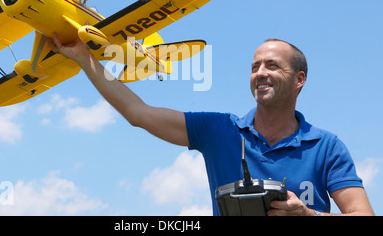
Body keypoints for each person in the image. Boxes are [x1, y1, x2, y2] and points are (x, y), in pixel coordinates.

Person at [48, 34, 374, 216]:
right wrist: (83, 58)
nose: (260, 72)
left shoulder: (327, 146)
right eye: (254, 66)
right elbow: (138, 112)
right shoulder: (219, 131)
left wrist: (307, 215)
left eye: (272, 66)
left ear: (299, 79)